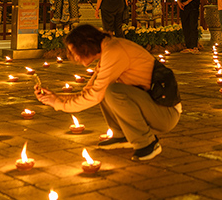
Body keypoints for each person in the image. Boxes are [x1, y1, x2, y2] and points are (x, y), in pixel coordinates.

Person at [34, 24, 180, 161]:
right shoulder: (108, 51)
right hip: (154, 108)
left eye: (75, 51)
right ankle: (122, 135)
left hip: (166, 113)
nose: (75, 57)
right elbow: (91, 91)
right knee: (107, 89)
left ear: (87, 45)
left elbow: (95, 95)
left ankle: (147, 143)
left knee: (112, 91)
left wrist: (59, 104)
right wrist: (56, 97)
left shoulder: (115, 51)